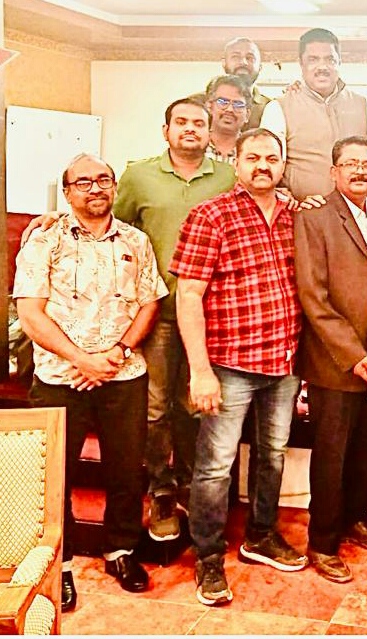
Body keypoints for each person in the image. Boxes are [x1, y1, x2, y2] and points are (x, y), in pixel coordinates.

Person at [16, 153, 168, 610]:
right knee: (53, 477)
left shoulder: (136, 241)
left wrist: (116, 353)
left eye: (103, 179)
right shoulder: (45, 240)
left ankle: (121, 550)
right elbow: (30, 313)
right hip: (60, 378)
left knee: (126, 469)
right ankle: (58, 563)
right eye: (83, 182)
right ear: (67, 192)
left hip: (123, 375)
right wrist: (83, 360)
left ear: (115, 186)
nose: (95, 188)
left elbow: (149, 303)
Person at [171, 128, 308, 607]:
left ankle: (260, 536)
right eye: (253, 157)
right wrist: (200, 370)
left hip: (284, 361)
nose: (263, 166)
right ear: (235, 162)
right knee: (215, 466)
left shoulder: (295, 215)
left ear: (283, 164)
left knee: (272, 455)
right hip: (228, 364)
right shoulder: (210, 215)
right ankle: (208, 556)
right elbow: (188, 296)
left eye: (272, 158)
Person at [114, 98, 237, 543]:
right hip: (157, 312)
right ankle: (161, 489)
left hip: (211, 315)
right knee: (154, 407)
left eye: (199, 123)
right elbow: (113, 228)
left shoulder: (228, 177)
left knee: (196, 406)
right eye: (181, 122)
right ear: (165, 130)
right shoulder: (138, 176)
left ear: (210, 131)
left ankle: (191, 484)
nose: (190, 129)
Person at [294, 136, 367, 584]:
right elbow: (312, 295)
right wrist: (352, 353)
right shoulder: (314, 217)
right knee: (331, 453)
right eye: (350, 164)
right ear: (333, 171)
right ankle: (322, 542)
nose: (359, 171)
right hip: (336, 360)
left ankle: (356, 518)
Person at [261, 28, 367, 199]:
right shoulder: (278, 108)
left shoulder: (363, 105)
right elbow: (268, 168)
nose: (322, 67)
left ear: (339, 62)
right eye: (313, 59)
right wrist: (286, 199)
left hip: (356, 210)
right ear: (301, 64)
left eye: (330, 59)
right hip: (300, 211)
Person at [220, 36, 269, 130]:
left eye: (250, 58)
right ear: (224, 63)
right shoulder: (202, 102)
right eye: (235, 57)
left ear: (260, 67)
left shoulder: (270, 107)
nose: (243, 62)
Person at [204, 74, 252, 163]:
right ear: (209, 106)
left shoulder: (254, 151)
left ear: (247, 115)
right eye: (223, 102)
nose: (230, 109)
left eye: (238, 104)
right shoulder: (195, 145)